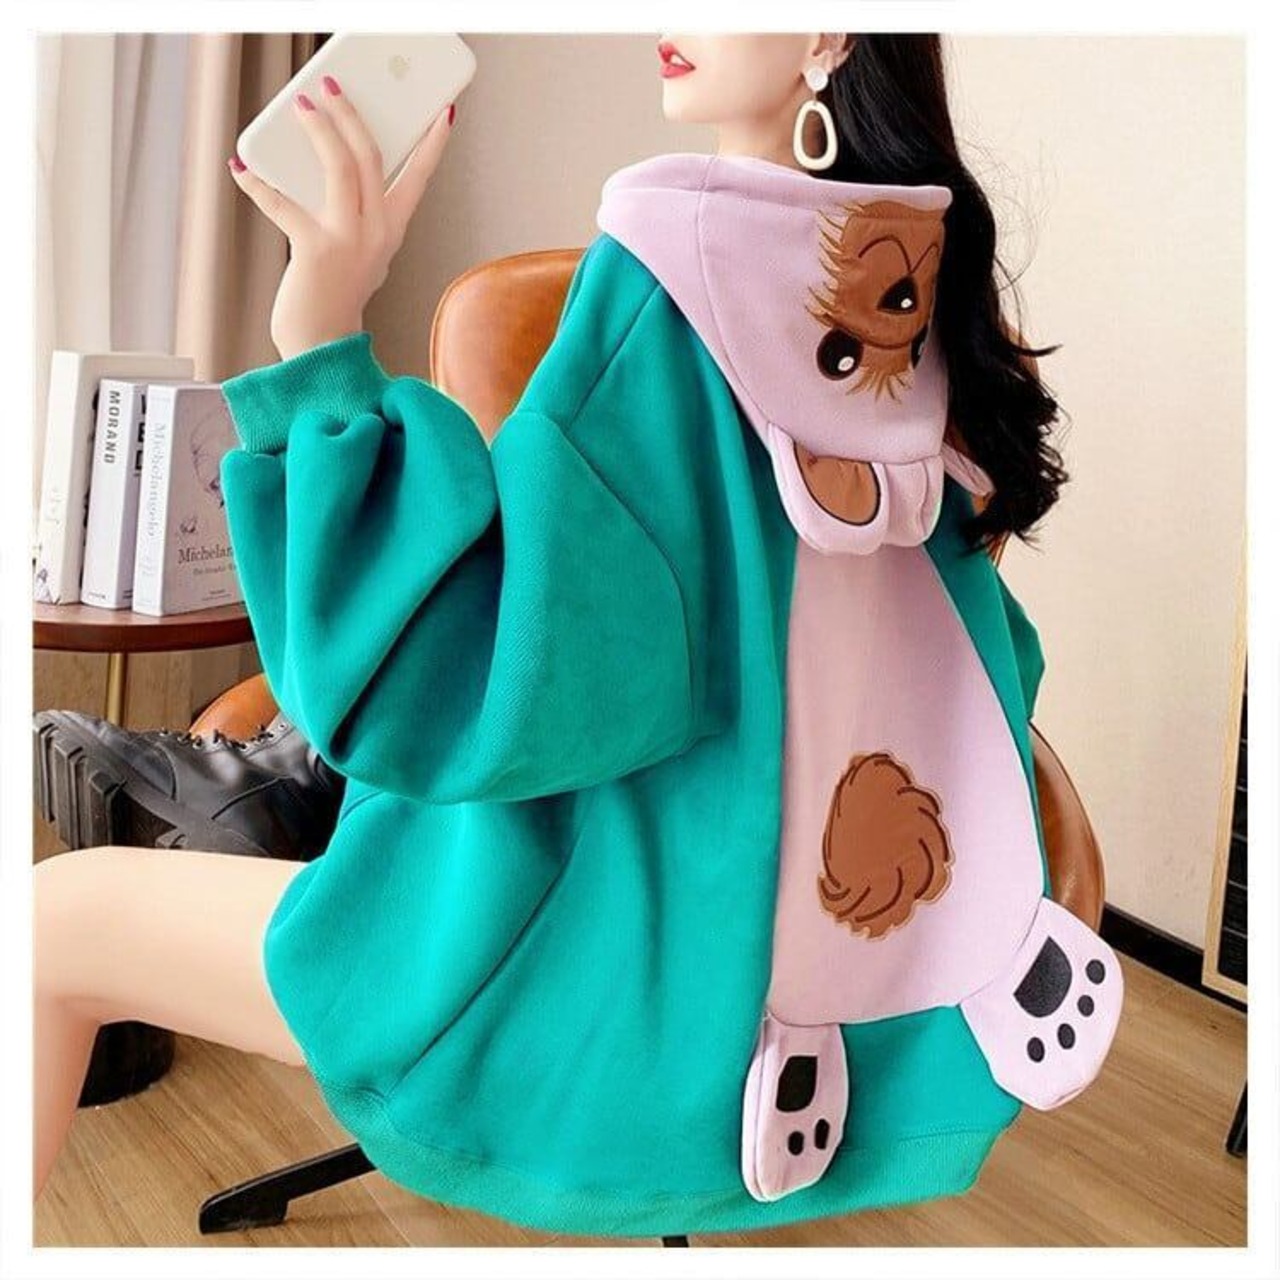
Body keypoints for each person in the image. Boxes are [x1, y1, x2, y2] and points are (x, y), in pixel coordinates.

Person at [33, 33, 1121, 1237]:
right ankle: (275, 782)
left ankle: (272, 781)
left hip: (594, 976)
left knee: (47, 923)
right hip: (859, 1011)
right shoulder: (918, 300)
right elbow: (978, 660)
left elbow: (466, 689)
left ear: (826, 30)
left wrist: (319, 331)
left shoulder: (671, 279)